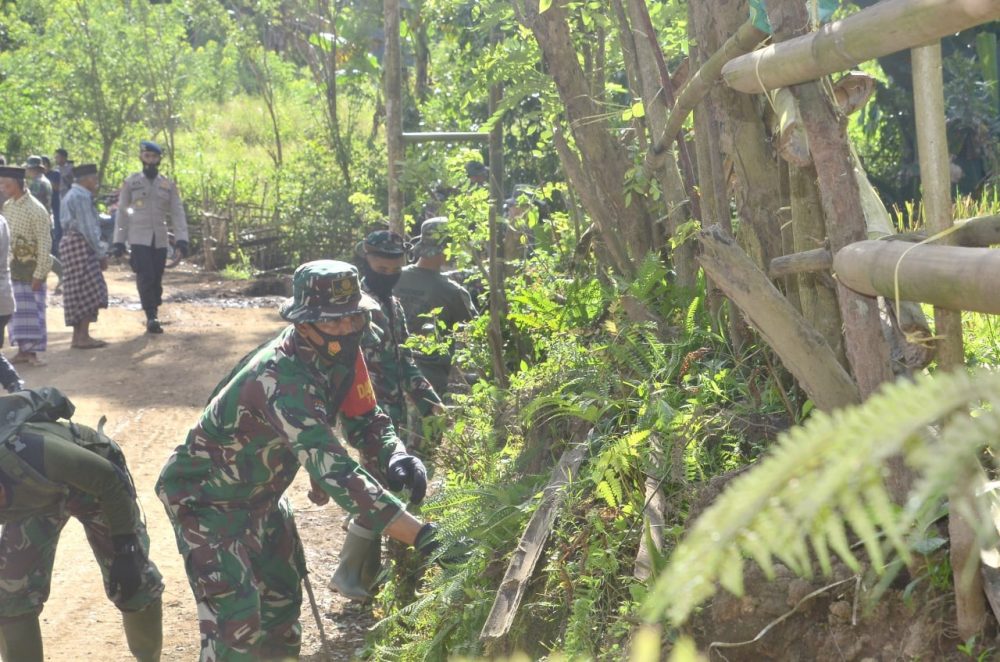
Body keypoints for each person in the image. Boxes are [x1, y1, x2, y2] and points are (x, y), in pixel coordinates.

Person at [156, 260, 454, 661]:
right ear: (303, 323)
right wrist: (424, 537)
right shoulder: (280, 378)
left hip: (262, 495)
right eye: (334, 322)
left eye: (354, 318)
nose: (348, 330)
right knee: (237, 627)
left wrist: (395, 453)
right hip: (207, 503)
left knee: (281, 611)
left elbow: (367, 418)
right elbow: (338, 474)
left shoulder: (344, 352)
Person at [0, 387, 164, 662]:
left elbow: (108, 480)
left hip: (94, 485)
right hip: (35, 501)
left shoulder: (31, 451)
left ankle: (150, 658)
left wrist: (125, 547)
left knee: (133, 579)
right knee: (11, 591)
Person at [358, 230, 443, 430]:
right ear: (366, 264)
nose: (388, 276)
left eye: (396, 270)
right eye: (382, 269)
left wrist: (428, 399)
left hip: (396, 413)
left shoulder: (393, 305)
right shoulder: (354, 309)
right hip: (368, 417)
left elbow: (405, 358)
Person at [112, 140, 188, 334]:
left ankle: (154, 305)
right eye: (147, 156)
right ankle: (151, 315)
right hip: (138, 237)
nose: (151, 161)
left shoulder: (167, 185)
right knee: (145, 276)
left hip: (160, 238)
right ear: (141, 157)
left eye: (154, 157)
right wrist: (118, 241)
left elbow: (177, 212)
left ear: (159, 159)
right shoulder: (131, 182)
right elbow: (122, 212)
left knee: (156, 277)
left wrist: (182, 240)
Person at [395, 217, 478, 396]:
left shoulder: (393, 278)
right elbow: (475, 336)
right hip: (429, 383)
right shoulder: (452, 292)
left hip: (390, 373)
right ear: (447, 248)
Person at [0, 166, 52, 367]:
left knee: (34, 310)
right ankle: (22, 350)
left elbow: (45, 243)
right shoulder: (8, 207)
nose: (4, 188)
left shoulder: (37, 209)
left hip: (32, 269)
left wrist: (40, 272)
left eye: (7, 184)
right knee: (18, 312)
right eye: (1, 185)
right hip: (13, 268)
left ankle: (33, 353)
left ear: (19, 184)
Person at [59, 163, 109, 349]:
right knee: (91, 289)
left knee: (75, 289)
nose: (96, 182)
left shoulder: (72, 195)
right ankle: (83, 337)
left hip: (70, 244)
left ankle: (77, 337)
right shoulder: (80, 197)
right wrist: (101, 253)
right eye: (94, 179)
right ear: (86, 179)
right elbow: (88, 229)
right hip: (81, 244)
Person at [41, 157, 61, 257]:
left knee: (57, 228)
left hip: (56, 203)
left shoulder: (55, 174)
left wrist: (46, 183)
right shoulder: (41, 177)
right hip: (45, 204)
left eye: (45, 163)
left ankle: (57, 250)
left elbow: (57, 186)